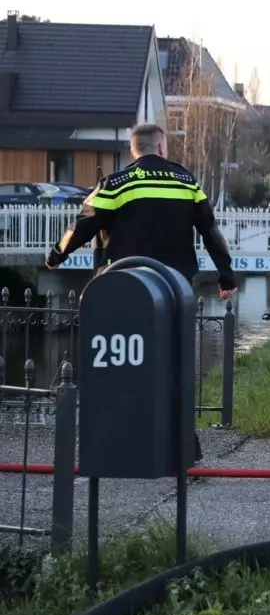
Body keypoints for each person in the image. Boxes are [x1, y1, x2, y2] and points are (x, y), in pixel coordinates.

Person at [44, 123, 237, 462]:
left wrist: (57, 255)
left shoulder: (115, 183)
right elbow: (211, 231)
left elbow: (83, 224)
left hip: (125, 287)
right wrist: (225, 276)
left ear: (133, 150)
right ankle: (184, 442)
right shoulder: (187, 181)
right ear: (161, 147)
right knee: (174, 361)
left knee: (122, 361)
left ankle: (123, 439)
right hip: (175, 287)